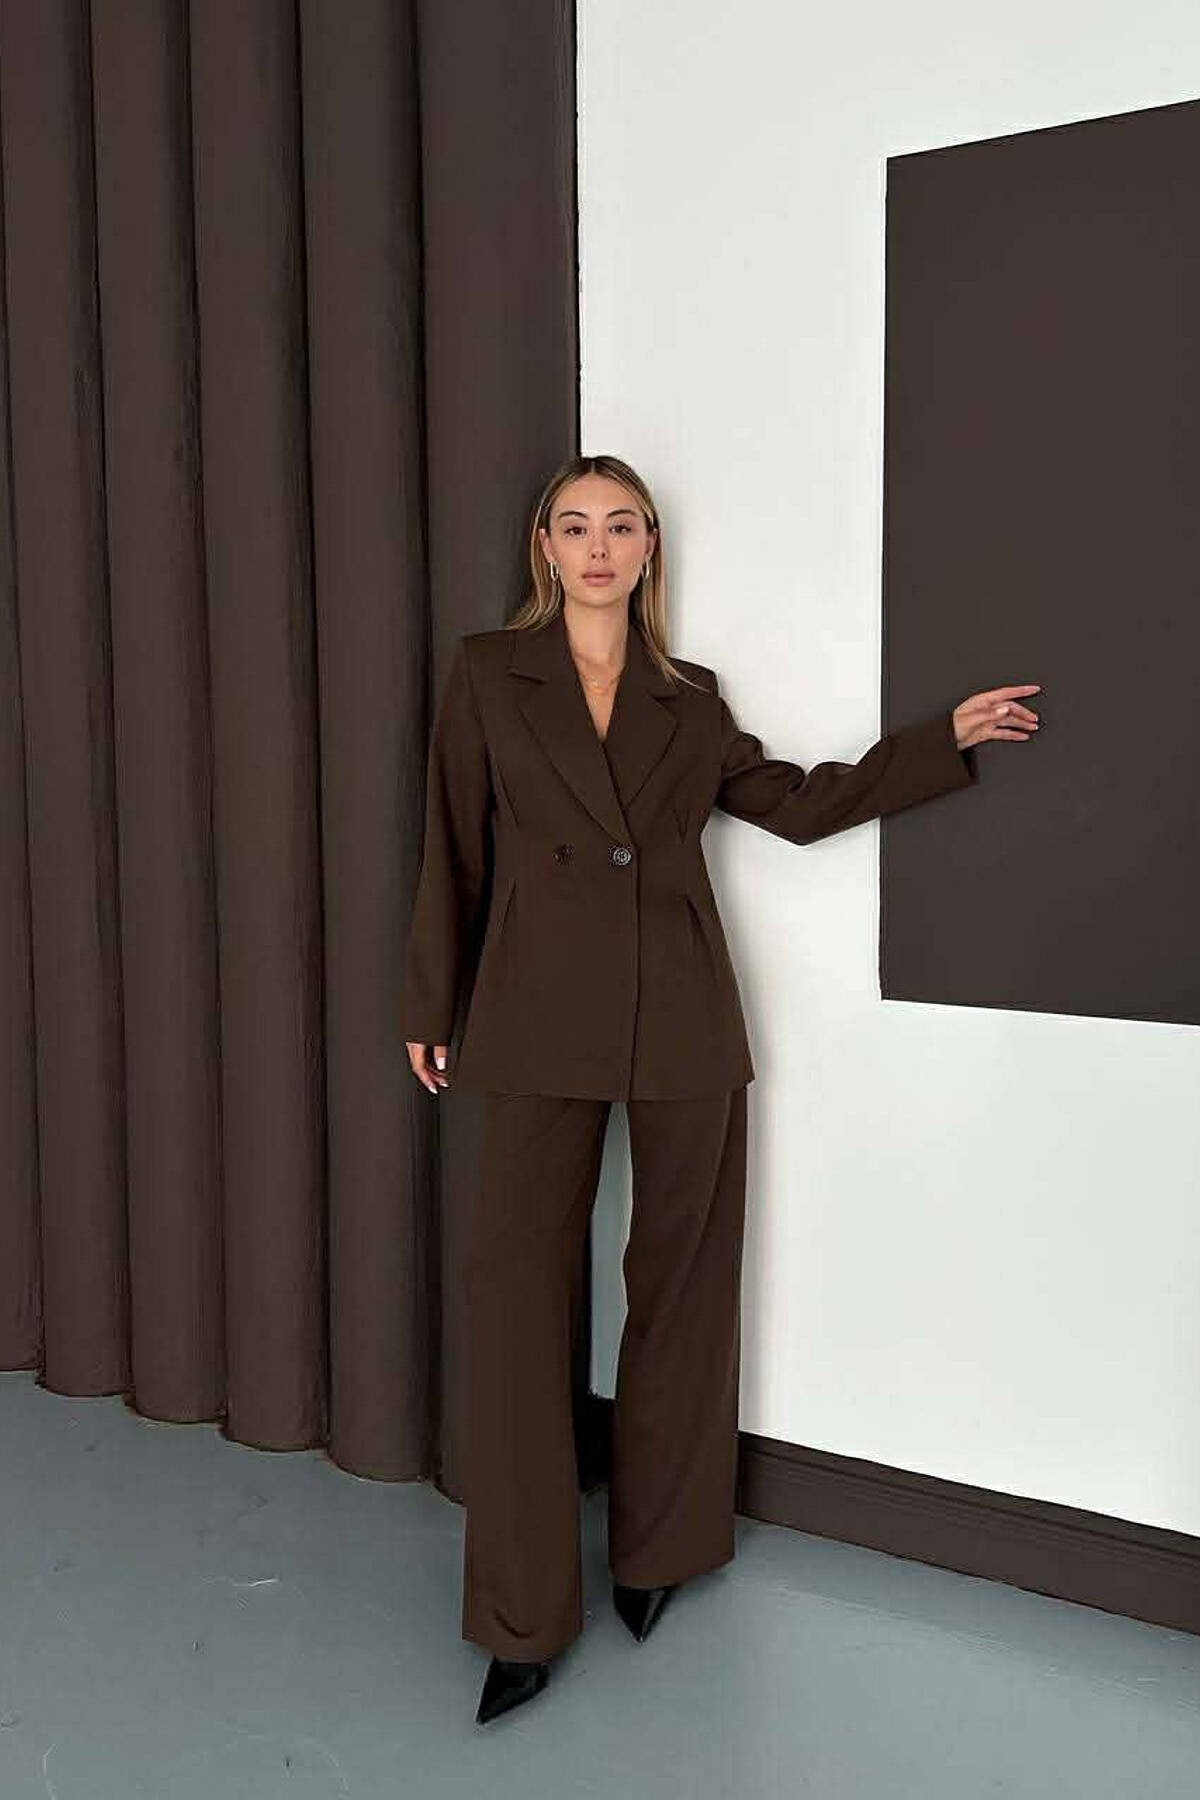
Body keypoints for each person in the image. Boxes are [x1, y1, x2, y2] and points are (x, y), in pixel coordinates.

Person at [399, 453, 1040, 1725]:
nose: (597, 546)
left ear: (649, 548)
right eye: (574, 525)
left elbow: (792, 804)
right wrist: (431, 1003)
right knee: (515, 1303)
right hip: (530, 1017)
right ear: (545, 548)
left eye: (620, 525)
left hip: (682, 1017)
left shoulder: (690, 700)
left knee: (685, 1288)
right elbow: (452, 847)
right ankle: (522, 1614)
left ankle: (660, 1551)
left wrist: (938, 745)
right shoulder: (487, 672)